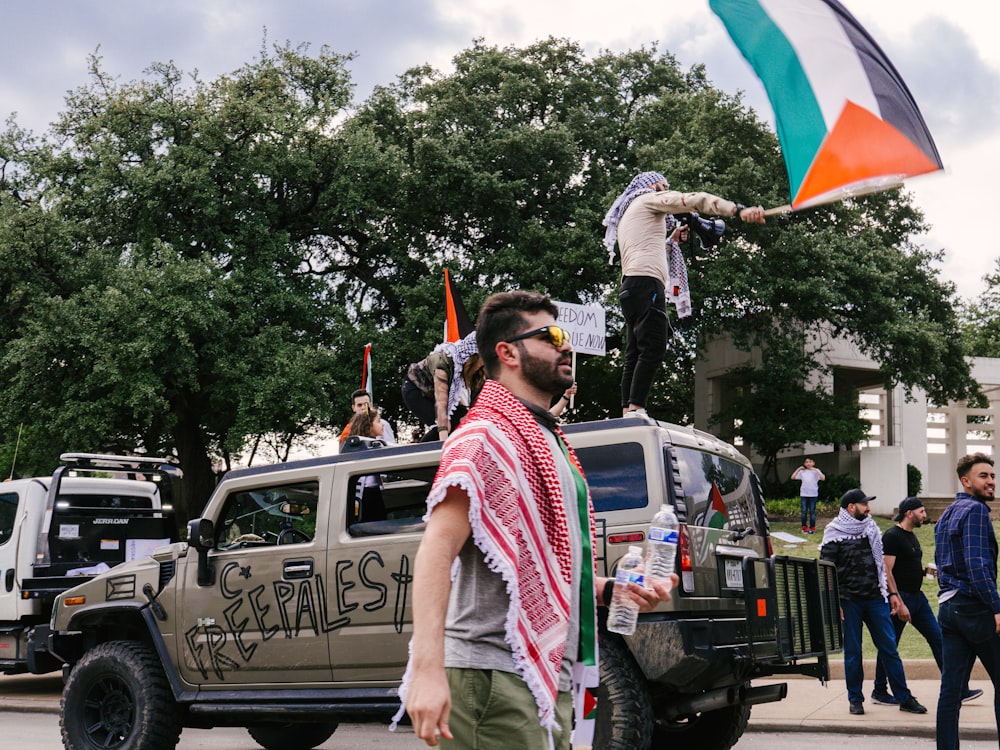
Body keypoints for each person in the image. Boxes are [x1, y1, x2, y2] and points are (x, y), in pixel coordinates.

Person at [394, 290, 673, 749]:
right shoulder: (484, 437)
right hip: (490, 677)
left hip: (540, 675)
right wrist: (426, 671)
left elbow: (539, 564)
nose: (567, 346)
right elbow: (435, 550)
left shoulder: (544, 441)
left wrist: (608, 589)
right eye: (553, 336)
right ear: (507, 352)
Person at [602, 171, 765, 417]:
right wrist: (738, 210)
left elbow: (646, 244)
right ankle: (637, 408)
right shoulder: (647, 198)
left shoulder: (629, 213)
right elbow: (692, 199)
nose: (665, 189)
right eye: (663, 185)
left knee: (635, 353)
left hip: (630, 287)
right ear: (650, 184)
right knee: (654, 346)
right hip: (647, 284)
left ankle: (628, 409)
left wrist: (672, 240)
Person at [820, 488, 928, 716]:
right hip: (849, 602)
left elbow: (883, 567)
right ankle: (855, 699)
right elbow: (827, 572)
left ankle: (904, 698)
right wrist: (833, 603)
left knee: (889, 649)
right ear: (851, 507)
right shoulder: (834, 532)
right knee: (853, 651)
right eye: (864, 504)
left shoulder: (871, 529)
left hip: (876, 599)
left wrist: (893, 595)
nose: (868, 508)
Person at [871, 497, 981, 706]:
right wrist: (898, 600)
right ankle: (879, 690)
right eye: (921, 511)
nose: (925, 515)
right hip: (900, 598)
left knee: (939, 639)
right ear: (909, 513)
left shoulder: (910, 536)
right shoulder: (893, 536)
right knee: (889, 644)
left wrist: (925, 572)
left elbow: (905, 565)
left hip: (917, 597)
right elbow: (886, 570)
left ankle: (958, 689)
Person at [934, 452, 1000, 750]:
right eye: (983, 476)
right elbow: (977, 565)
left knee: (951, 691)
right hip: (974, 608)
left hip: (948, 608)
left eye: (992, 476)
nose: (991, 481)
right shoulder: (975, 511)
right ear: (965, 480)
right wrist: (996, 607)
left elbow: (939, 561)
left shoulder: (948, 512)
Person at [402, 332, 484, 442]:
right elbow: (441, 405)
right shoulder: (443, 363)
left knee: (467, 421)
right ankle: (420, 454)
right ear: (473, 357)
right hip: (415, 389)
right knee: (441, 427)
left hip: (432, 392)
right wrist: (443, 442)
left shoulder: (477, 372)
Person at [791, 457, 825, 534]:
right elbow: (792, 477)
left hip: (813, 494)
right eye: (806, 462)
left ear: (813, 463)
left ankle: (812, 527)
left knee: (812, 511)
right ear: (804, 464)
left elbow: (823, 478)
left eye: (810, 462)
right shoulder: (803, 472)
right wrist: (799, 469)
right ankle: (804, 527)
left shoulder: (816, 471)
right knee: (804, 511)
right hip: (804, 494)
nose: (808, 463)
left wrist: (815, 470)